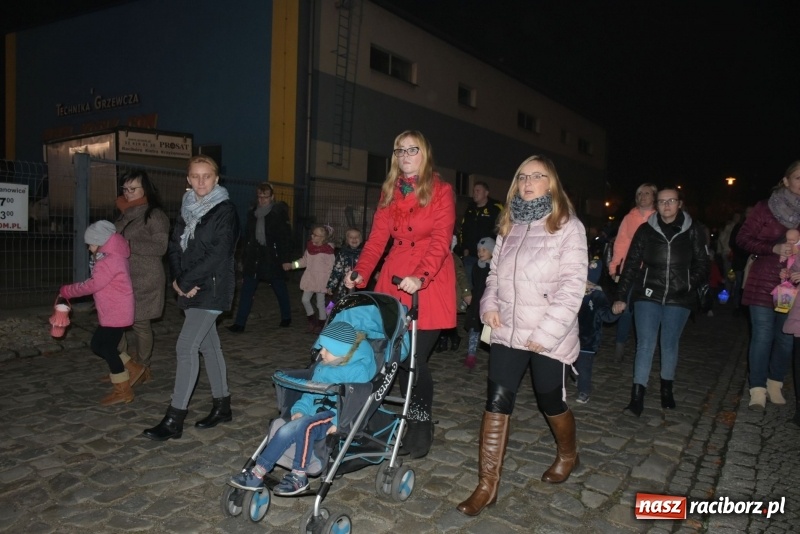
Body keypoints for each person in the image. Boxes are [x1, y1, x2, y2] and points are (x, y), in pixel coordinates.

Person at [457, 155, 587, 517]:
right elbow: (494, 276)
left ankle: (569, 454)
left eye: (538, 176)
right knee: (496, 400)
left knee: (550, 402)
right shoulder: (509, 225)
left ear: (551, 184)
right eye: (523, 177)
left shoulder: (568, 226)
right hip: (507, 329)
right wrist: (489, 307)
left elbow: (571, 287)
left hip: (549, 333)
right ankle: (487, 486)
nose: (528, 182)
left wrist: (545, 333)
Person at [345, 129, 456, 459]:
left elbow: (440, 240)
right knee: (384, 355)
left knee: (413, 360)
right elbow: (378, 238)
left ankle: (421, 422)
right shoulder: (390, 191)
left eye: (413, 150)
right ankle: (370, 417)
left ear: (425, 154)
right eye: (400, 151)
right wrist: (362, 271)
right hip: (393, 281)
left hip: (429, 282)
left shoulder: (441, 190)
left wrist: (420, 276)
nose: (406, 156)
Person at [142, 155, 240, 441]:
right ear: (187, 179)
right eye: (195, 176)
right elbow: (175, 245)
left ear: (216, 178)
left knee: (186, 347)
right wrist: (177, 279)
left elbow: (220, 253)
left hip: (212, 287)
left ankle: (175, 418)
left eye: (206, 176)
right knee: (209, 348)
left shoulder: (225, 210)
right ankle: (223, 407)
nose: (200, 182)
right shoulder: (186, 207)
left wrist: (187, 281)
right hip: (189, 286)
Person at [227, 321, 375, 495]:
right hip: (314, 414)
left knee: (306, 426)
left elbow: (357, 400)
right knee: (284, 428)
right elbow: (310, 392)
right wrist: (301, 409)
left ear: (342, 351)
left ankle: (299, 476)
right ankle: (257, 472)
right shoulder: (323, 367)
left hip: (336, 414)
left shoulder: (358, 371)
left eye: (327, 349)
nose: (321, 353)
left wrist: (339, 422)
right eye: (322, 348)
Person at [612, 186, 709, 417]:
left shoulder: (693, 230)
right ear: (657, 205)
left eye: (671, 201)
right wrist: (620, 295)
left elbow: (703, 264)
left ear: (680, 204)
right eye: (662, 201)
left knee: (669, 343)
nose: (667, 205)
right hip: (648, 292)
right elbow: (632, 264)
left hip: (679, 296)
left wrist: (685, 284)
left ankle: (667, 389)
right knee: (645, 343)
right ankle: (637, 397)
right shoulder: (646, 230)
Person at [737, 161, 800, 410]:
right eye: (798, 178)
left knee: (785, 339)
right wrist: (771, 248)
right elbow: (743, 238)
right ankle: (757, 388)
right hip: (762, 281)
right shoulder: (766, 208)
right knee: (762, 336)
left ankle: (775, 383)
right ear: (785, 180)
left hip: (792, 286)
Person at [60, 220, 141, 406]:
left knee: (102, 346)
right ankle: (133, 369)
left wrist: (67, 291)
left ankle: (123, 388)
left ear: (102, 242)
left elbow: (93, 284)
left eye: (91, 244)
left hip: (116, 312)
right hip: (116, 310)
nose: (89, 248)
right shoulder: (114, 255)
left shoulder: (108, 261)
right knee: (104, 345)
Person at [114, 169, 170, 378]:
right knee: (116, 322)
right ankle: (123, 364)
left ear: (145, 189)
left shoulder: (155, 215)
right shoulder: (125, 212)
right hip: (122, 276)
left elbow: (160, 247)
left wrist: (127, 244)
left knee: (140, 323)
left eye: (133, 189)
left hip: (145, 277)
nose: (127, 193)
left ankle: (143, 367)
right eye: (125, 189)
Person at [228, 182, 293, 333]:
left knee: (279, 287)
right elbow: (248, 236)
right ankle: (240, 323)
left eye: (265, 197)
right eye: (260, 197)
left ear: (272, 197)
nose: (262, 200)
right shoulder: (252, 213)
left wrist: (285, 259)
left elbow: (285, 238)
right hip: (254, 255)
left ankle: (286, 316)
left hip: (272, 256)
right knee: (247, 289)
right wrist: (243, 258)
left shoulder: (278, 214)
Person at [607, 183, 657, 362]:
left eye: (647, 193)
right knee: (624, 308)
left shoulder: (658, 218)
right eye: (640, 193)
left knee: (645, 310)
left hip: (651, 272)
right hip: (630, 270)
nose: (643, 196)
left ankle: (643, 349)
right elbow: (620, 243)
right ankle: (620, 346)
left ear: (654, 196)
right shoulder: (629, 218)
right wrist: (615, 267)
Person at [574, 257, 620, 404]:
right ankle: (561, 386)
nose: (586, 286)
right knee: (566, 364)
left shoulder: (598, 296)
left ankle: (584, 390)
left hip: (588, 340)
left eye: (589, 282)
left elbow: (607, 316)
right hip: (570, 337)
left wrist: (614, 312)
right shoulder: (573, 293)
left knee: (584, 366)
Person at [284, 224, 335, 334]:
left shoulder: (327, 252)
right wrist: (292, 265)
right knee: (305, 299)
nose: (312, 237)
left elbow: (332, 267)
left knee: (320, 303)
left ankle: (321, 323)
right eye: (312, 234)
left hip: (322, 280)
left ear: (323, 238)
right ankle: (312, 320)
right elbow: (304, 261)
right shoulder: (310, 249)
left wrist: (330, 283)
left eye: (315, 235)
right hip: (310, 278)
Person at [457, 181, 503, 285]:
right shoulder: (470, 210)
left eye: (478, 190)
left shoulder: (495, 209)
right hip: (471, 255)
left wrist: (496, 251)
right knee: (469, 283)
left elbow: (503, 230)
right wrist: (464, 248)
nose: (475, 193)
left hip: (489, 257)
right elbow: (463, 230)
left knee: (485, 284)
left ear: (486, 193)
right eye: (474, 191)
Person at [435, 234, 471, 353]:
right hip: (438, 293)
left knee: (447, 319)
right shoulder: (436, 257)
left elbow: (461, 275)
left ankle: (453, 338)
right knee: (439, 319)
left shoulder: (453, 258)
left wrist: (466, 292)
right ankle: (443, 341)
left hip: (450, 293)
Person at [463, 236, 494, 370]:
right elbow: (473, 282)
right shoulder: (476, 266)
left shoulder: (494, 267)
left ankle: (494, 357)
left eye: (484, 250)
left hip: (489, 303)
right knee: (474, 329)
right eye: (479, 250)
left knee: (490, 331)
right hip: (477, 302)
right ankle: (471, 354)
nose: (480, 252)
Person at [326, 227, 364, 303]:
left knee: (359, 306)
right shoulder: (342, 253)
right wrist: (331, 286)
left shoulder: (364, 254)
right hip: (344, 287)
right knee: (345, 305)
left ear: (361, 239)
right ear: (347, 240)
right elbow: (336, 271)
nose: (354, 239)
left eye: (357, 237)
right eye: (351, 237)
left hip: (361, 286)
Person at [729, 207, 753, 314]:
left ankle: (746, 306)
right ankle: (737, 306)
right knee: (739, 282)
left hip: (751, 259)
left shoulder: (757, 227)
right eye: (748, 211)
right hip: (740, 259)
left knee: (749, 283)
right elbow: (733, 242)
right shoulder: (739, 227)